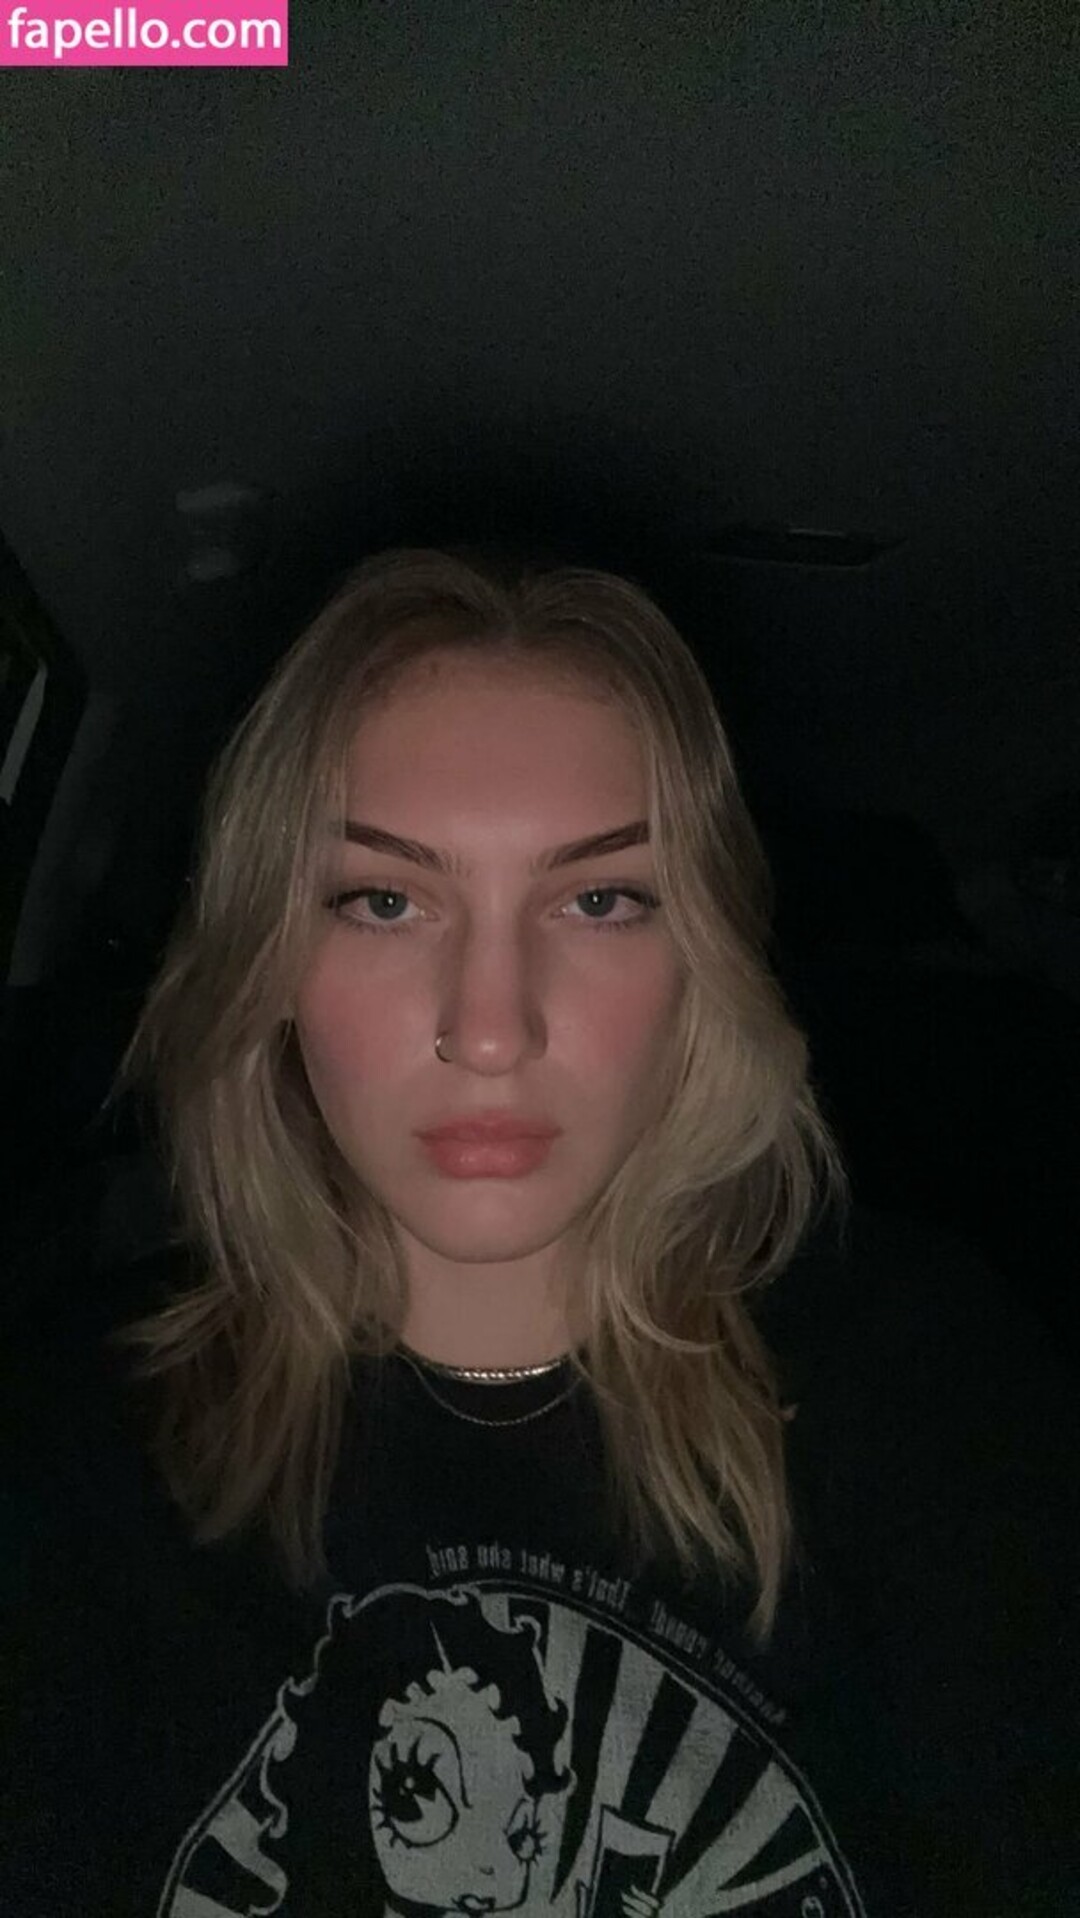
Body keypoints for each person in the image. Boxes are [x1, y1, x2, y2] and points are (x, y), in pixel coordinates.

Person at [2, 546, 1077, 1916]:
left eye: (600, 899)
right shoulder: (70, 1435)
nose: (493, 1027)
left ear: (701, 963)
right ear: (268, 960)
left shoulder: (932, 1386)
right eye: (385, 900)